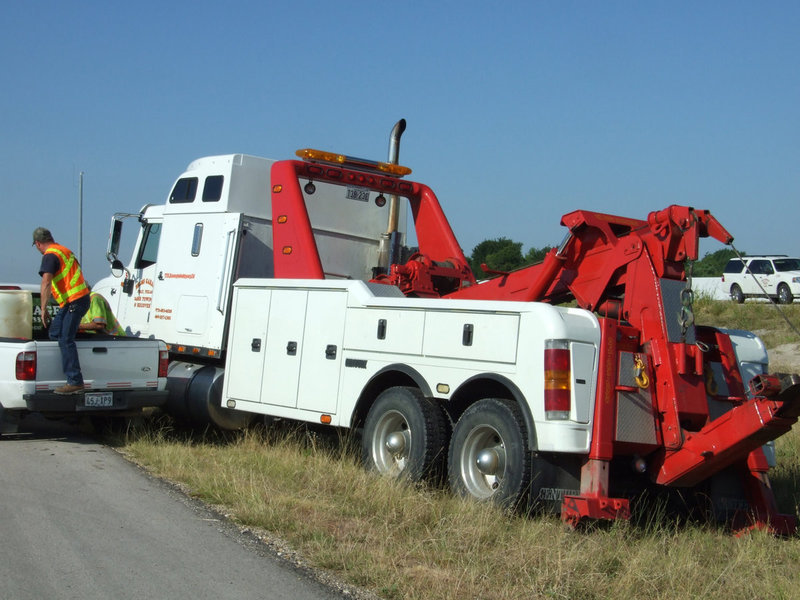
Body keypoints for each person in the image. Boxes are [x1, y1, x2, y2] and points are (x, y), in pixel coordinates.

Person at [33, 227, 91, 395]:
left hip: (75, 300)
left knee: (65, 339)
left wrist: (43, 308)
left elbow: (46, 282)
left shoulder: (50, 255)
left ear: (38, 244)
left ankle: (75, 381)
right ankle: (70, 365)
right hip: (73, 301)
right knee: (56, 333)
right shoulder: (64, 251)